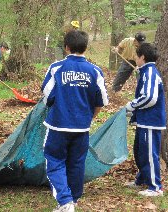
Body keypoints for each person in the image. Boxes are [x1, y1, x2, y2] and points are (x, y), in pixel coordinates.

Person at [41, 30, 108, 212]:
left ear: (66, 47)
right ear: (86, 47)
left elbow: (47, 96)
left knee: (54, 160)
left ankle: (65, 201)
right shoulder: (95, 71)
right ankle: (74, 197)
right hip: (82, 128)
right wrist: (89, 117)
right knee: (77, 162)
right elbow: (101, 100)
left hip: (57, 126)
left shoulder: (56, 68)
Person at [125, 43, 166, 197]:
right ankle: (142, 179)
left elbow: (150, 97)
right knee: (141, 152)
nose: (135, 58)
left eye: (136, 55)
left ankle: (155, 187)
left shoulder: (150, 73)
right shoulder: (146, 72)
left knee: (149, 153)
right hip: (144, 120)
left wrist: (132, 106)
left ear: (142, 57)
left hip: (151, 121)